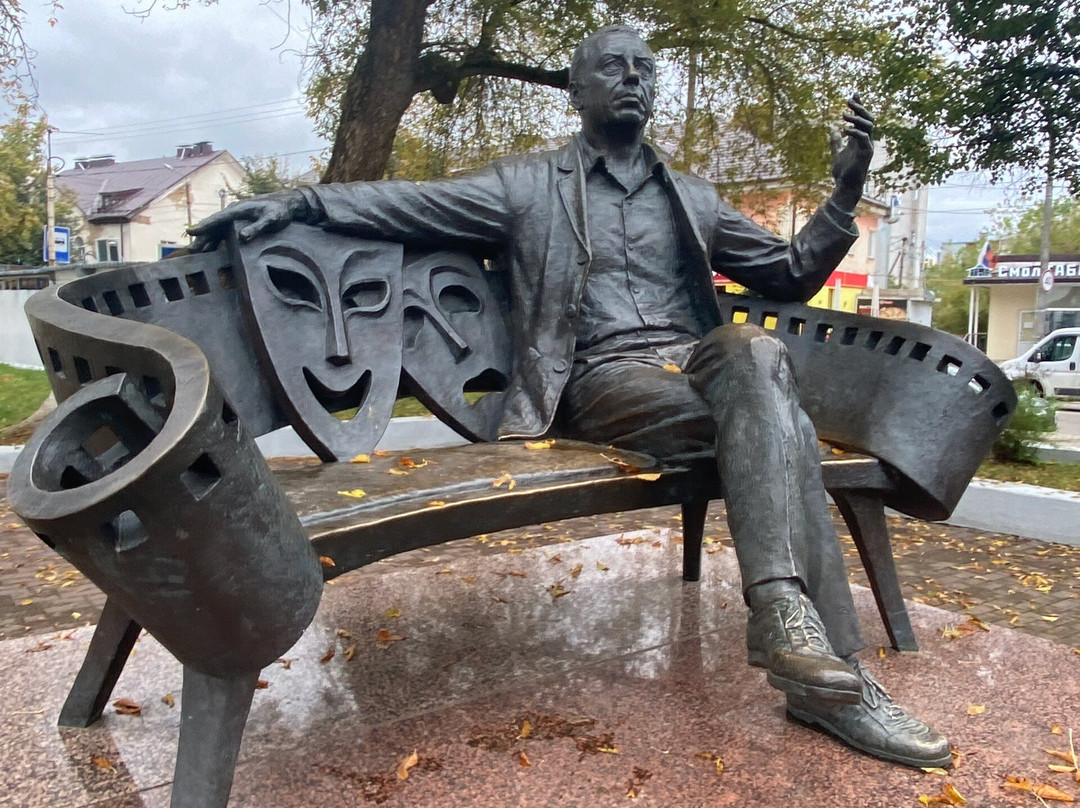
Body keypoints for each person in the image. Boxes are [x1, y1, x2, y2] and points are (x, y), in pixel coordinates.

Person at [189, 24, 950, 768]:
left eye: (644, 70)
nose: (633, 80)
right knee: (776, 416)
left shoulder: (692, 196)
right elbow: (411, 202)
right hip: (603, 384)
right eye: (614, 67)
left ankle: (792, 624)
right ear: (576, 89)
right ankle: (833, 677)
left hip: (705, 374)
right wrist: (300, 205)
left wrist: (845, 195)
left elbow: (787, 273)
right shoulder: (525, 186)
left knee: (755, 356)